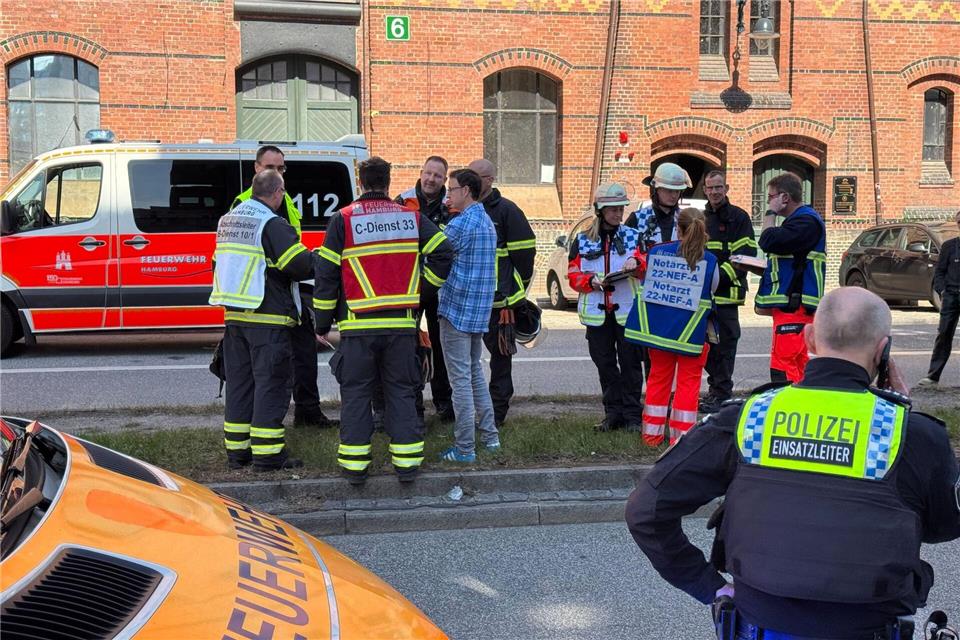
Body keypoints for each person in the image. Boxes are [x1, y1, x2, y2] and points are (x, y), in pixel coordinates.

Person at [625, 286, 960, 639]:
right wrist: (904, 413)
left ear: (809, 339)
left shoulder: (748, 418)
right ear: (883, 351)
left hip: (758, 626)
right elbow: (944, 525)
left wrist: (709, 587)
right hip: (868, 628)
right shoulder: (911, 433)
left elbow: (645, 510)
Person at [313, 157, 453, 485]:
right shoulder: (410, 217)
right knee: (402, 391)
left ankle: (356, 467)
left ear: (361, 182)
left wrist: (321, 322)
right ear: (388, 183)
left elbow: (326, 273)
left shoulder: (343, 220)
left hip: (357, 326)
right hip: (401, 326)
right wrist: (420, 292)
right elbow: (444, 253)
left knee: (358, 394)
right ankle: (407, 466)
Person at [210, 170, 316, 471]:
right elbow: (297, 263)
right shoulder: (272, 223)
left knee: (241, 385)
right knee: (272, 383)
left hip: (234, 317)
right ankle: (268, 455)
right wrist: (320, 258)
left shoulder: (229, 220)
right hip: (267, 318)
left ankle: (238, 452)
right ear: (278, 192)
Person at [232, 144, 334, 429]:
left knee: (304, 352)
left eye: (281, 167)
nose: (277, 172)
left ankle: (308, 412)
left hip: (293, 289)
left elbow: (291, 245)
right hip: (264, 295)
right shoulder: (244, 203)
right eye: (270, 167)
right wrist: (313, 260)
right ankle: (266, 428)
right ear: (257, 168)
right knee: (269, 371)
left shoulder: (285, 201)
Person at [625, 207, 719, 446]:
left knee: (658, 380)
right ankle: (682, 440)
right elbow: (712, 290)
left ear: (679, 228)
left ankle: (651, 436)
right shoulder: (710, 261)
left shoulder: (658, 253)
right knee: (688, 386)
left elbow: (645, 280)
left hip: (660, 335)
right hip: (692, 336)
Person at [567, 183, 645, 432]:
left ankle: (633, 416)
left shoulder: (633, 236)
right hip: (597, 315)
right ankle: (613, 414)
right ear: (600, 210)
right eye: (612, 209)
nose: (618, 214)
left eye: (621, 208)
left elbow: (645, 266)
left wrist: (637, 263)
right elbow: (573, 275)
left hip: (626, 313)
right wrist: (591, 281)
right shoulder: (582, 241)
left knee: (631, 366)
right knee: (606, 365)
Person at [436, 169, 499, 462]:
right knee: (474, 373)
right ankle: (490, 437)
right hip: (478, 311)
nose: (449, 194)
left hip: (456, 309)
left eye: (453, 189)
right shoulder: (486, 220)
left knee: (459, 379)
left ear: (468, 191)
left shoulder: (460, 225)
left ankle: (465, 448)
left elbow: (433, 251)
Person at [468, 159, 537, 428]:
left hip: (500, 304)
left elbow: (525, 255)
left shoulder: (507, 211)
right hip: (470, 301)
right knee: (466, 359)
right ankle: (463, 409)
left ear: (489, 180)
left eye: (477, 177)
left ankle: (497, 413)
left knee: (500, 360)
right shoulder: (462, 209)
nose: (471, 182)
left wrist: (514, 289)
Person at [395, 156, 455, 421]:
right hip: (413, 287)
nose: (431, 179)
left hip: (442, 287)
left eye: (438, 176)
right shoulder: (403, 201)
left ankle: (444, 402)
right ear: (420, 173)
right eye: (428, 173)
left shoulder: (452, 204)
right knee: (411, 346)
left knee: (443, 347)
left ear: (445, 179)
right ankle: (414, 403)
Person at [756, 172, 827, 383]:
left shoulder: (806, 222)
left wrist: (770, 213)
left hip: (794, 305)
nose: (769, 201)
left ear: (784, 197)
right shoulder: (800, 222)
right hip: (793, 304)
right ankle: (803, 405)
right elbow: (791, 260)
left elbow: (768, 240)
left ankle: (785, 407)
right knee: (797, 362)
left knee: (783, 363)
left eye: (771, 196)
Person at [701, 170, 758, 412]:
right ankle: (716, 392)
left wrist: (716, 277)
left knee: (724, 348)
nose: (715, 192)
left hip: (726, 296)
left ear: (727, 188)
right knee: (706, 348)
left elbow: (746, 256)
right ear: (704, 190)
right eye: (710, 187)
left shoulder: (738, 218)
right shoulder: (700, 219)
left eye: (719, 187)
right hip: (703, 297)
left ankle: (722, 395)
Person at [918, 209, 960, 387]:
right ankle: (933, 376)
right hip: (951, 295)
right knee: (944, 334)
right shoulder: (949, 246)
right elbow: (940, 273)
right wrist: (942, 290)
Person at [625, 162, 693, 250]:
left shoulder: (686, 219)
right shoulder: (637, 218)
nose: (674, 195)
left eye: (677, 191)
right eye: (669, 190)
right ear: (656, 190)